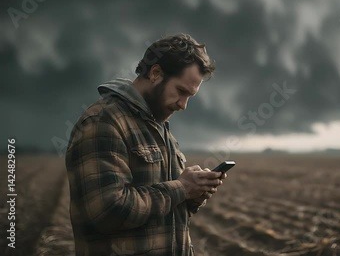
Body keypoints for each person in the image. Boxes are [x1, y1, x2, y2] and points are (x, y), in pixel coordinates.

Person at [65, 33, 226, 256]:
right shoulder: (104, 121)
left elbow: (161, 209)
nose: (183, 105)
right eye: (181, 91)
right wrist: (181, 188)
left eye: (191, 96)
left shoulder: (160, 128)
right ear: (156, 73)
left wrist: (192, 196)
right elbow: (106, 211)